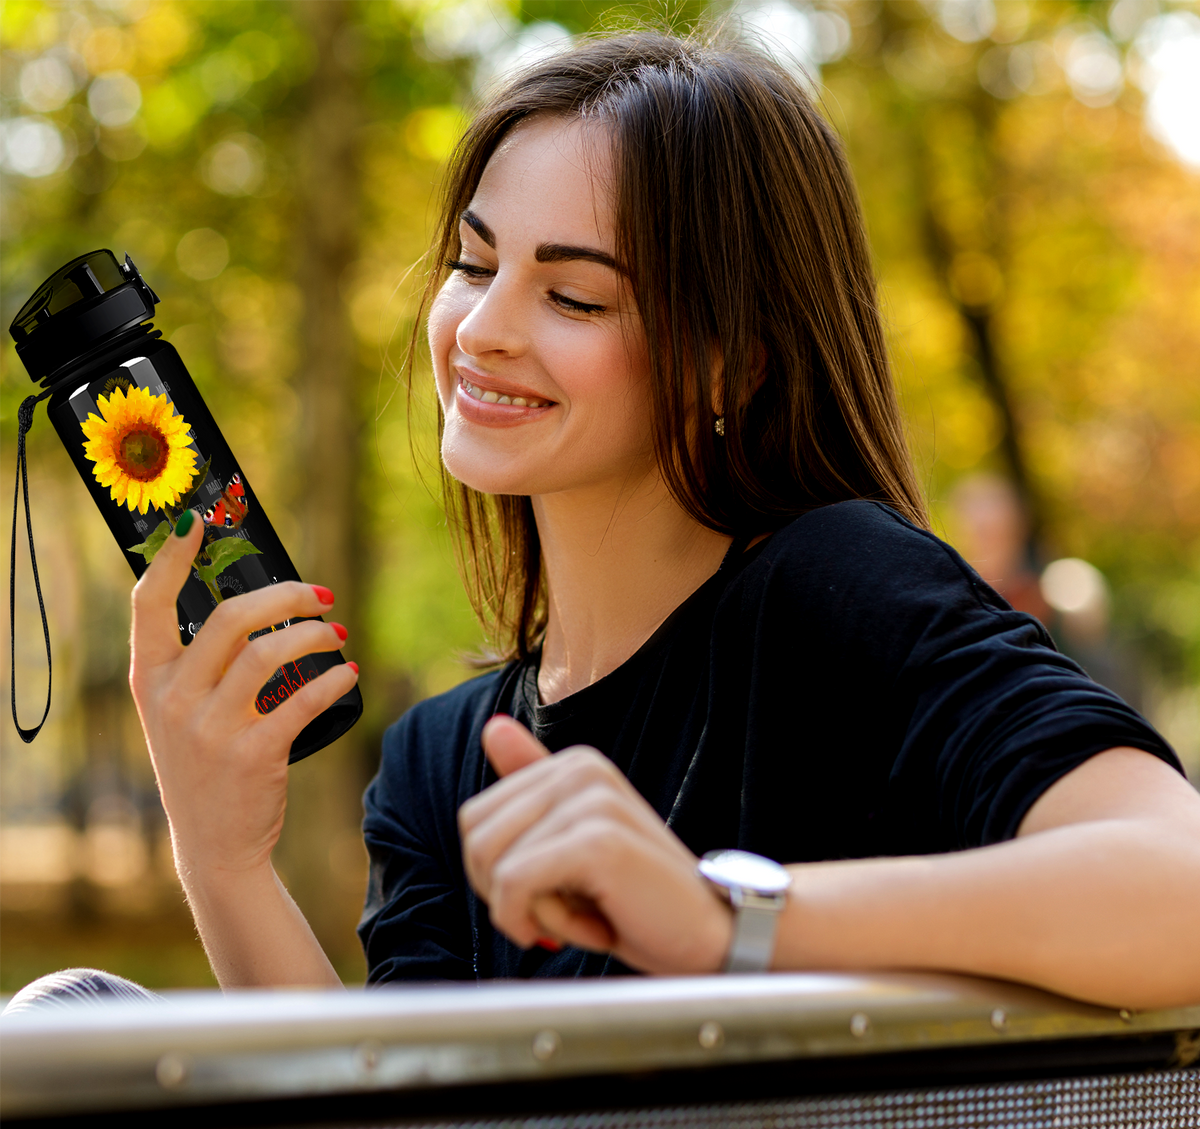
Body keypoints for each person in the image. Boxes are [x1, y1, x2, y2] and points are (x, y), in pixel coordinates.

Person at [127, 31, 1200, 1010]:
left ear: (732, 360)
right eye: (472, 264)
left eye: (575, 297)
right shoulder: (439, 763)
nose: (481, 329)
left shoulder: (836, 592)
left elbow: (1178, 889)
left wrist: (724, 919)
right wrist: (221, 862)